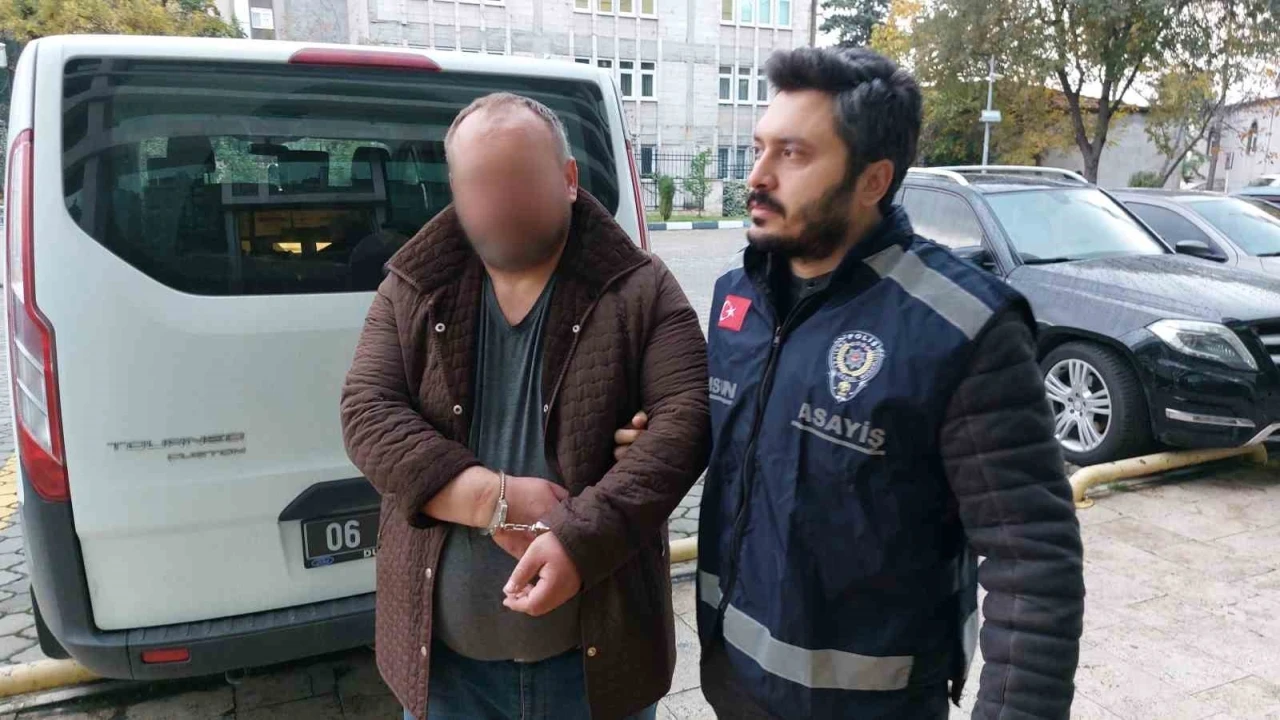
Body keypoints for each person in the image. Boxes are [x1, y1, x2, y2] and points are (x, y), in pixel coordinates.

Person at [616, 47, 1085, 719]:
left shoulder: (963, 327)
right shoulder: (736, 296)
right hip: (732, 684)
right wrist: (660, 442)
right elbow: (744, 441)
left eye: (793, 155)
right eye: (759, 148)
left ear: (873, 181)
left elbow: (1033, 563)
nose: (758, 176)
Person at [340, 92, 711, 720]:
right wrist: (494, 499)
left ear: (568, 178)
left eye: (518, 179)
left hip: (599, 673)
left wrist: (580, 539)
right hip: (447, 675)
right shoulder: (411, 286)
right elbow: (366, 412)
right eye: (477, 183)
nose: (498, 202)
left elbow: (689, 417)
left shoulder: (639, 285)